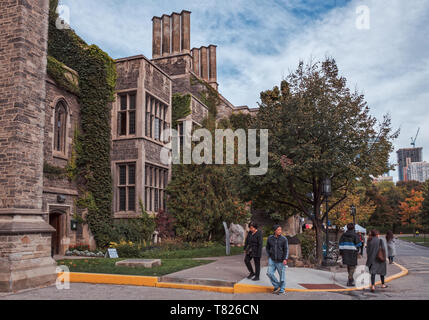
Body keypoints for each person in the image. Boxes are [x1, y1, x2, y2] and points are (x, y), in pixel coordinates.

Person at [266, 225, 289, 295]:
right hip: (272, 259)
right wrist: (269, 255)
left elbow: (286, 249)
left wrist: (285, 259)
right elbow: (267, 248)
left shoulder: (284, 239)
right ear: (275, 231)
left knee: (282, 276)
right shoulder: (270, 238)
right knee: (269, 273)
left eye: (280, 230)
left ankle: (282, 289)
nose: (280, 231)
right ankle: (277, 285)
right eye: (278, 230)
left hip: (281, 260)